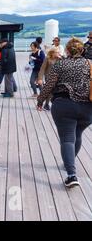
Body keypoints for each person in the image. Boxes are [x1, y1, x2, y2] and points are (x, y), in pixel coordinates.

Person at [37, 38, 92, 188]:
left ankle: (71, 174)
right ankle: (70, 162)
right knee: (78, 135)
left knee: (67, 138)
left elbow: (49, 85)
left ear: (67, 50)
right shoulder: (90, 64)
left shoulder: (60, 64)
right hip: (87, 107)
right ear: (82, 50)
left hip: (64, 105)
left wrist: (40, 100)